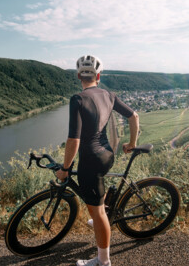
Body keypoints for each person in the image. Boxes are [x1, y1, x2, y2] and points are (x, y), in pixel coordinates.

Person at [56, 55, 139, 266]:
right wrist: (131, 144)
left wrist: (65, 168)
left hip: (91, 160)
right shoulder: (109, 95)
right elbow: (134, 116)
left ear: (78, 76)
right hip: (107, 155)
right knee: (96, 203)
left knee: (98, 211)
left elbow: (74, 140)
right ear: (98, 76)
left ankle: (103, 261)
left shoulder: (77, 99)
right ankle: (100, 215)